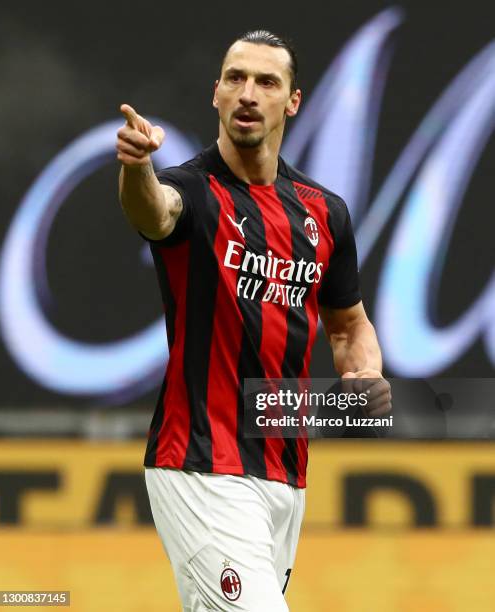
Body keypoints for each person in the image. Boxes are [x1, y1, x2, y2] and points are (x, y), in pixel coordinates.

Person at [116, 29, 391, 612]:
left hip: (284, 474)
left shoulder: (323, 212)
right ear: (215, 93)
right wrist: (138, 168)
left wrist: (363, 373)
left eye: (267, 82)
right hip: (200, 463)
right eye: (236, 78)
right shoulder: (192, 188)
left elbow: (347, 325)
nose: (248, 92)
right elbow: (155, 211)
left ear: (292, 102)